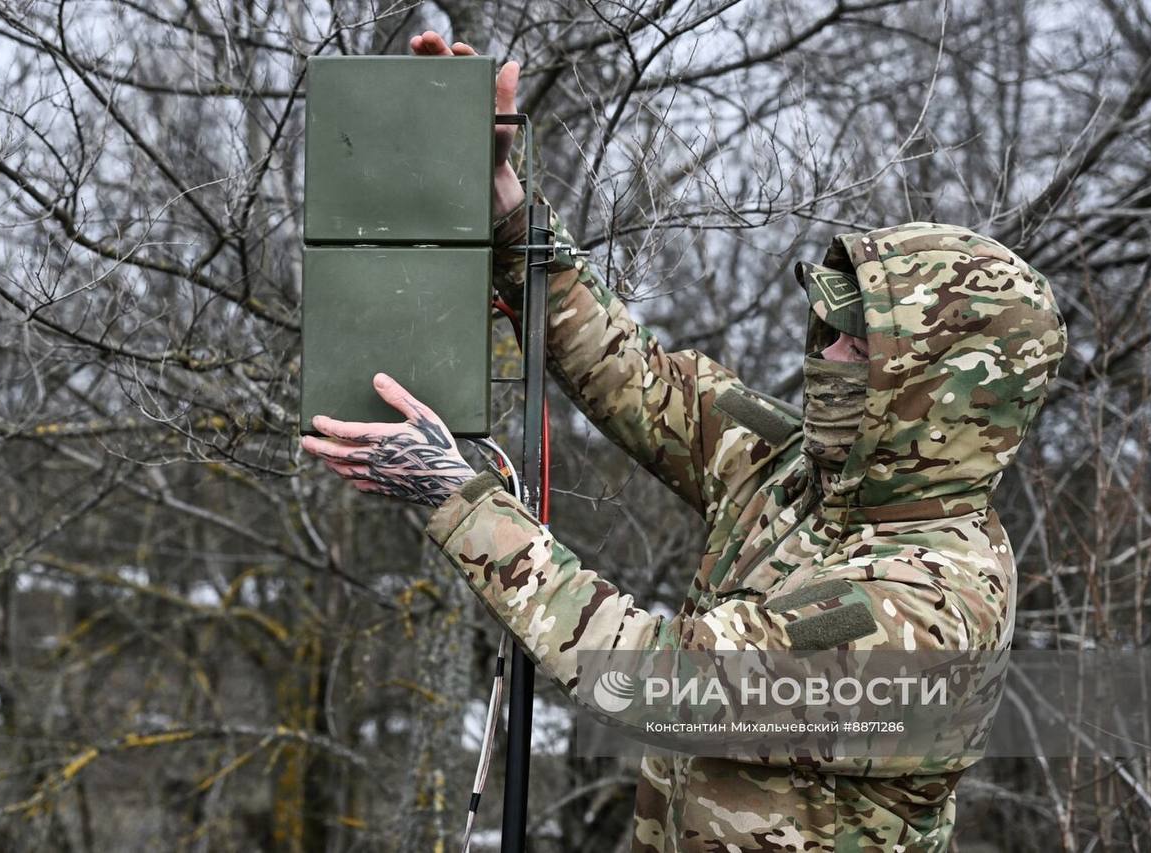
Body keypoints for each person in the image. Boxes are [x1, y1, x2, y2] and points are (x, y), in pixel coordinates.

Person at [301, 31, 1068, 852]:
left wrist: (461, 501)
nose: (827, 355)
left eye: (857, 342)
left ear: (937, 391)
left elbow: (665, 683)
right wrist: (503, 202)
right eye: (830, 330)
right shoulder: (800, 475)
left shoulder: (934, 607)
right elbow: (639, 378)